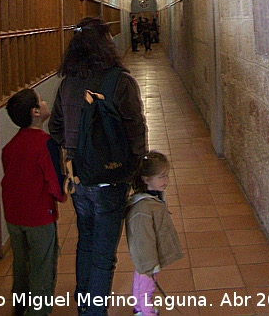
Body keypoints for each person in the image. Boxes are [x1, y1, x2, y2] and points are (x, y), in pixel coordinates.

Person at [49, 16, 147, 316]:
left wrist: (75, 149)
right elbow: (135, 130)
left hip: (79, 178)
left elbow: (55, 128)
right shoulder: (120, 81)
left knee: (86, 240)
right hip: (111, 177)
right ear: (106, 44)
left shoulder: (67, 84)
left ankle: (84, 306)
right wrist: (136, 169)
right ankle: (94, 312)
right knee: (104, 254)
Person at [1, 88, 65, 316]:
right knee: (42, 268)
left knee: (21, 263)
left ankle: (20, 306)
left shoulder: (10, 146)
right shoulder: (46, 144)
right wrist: (63, 194)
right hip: (39, 217)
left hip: (13, 216)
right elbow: (56, 184)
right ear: (35, 112)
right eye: (40, 100)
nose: (45, 101)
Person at [125, 152, 183, 316]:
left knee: (140, 280)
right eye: (162, 177)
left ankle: (138, 309)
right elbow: (143, 240)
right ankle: (147, 312)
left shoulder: (152, 199)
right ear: (146, 179)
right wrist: (150, 263)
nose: (166, 181)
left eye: (166, 176)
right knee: (147, 287)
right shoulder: (143, 209)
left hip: (146, 258)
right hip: (147, 258)